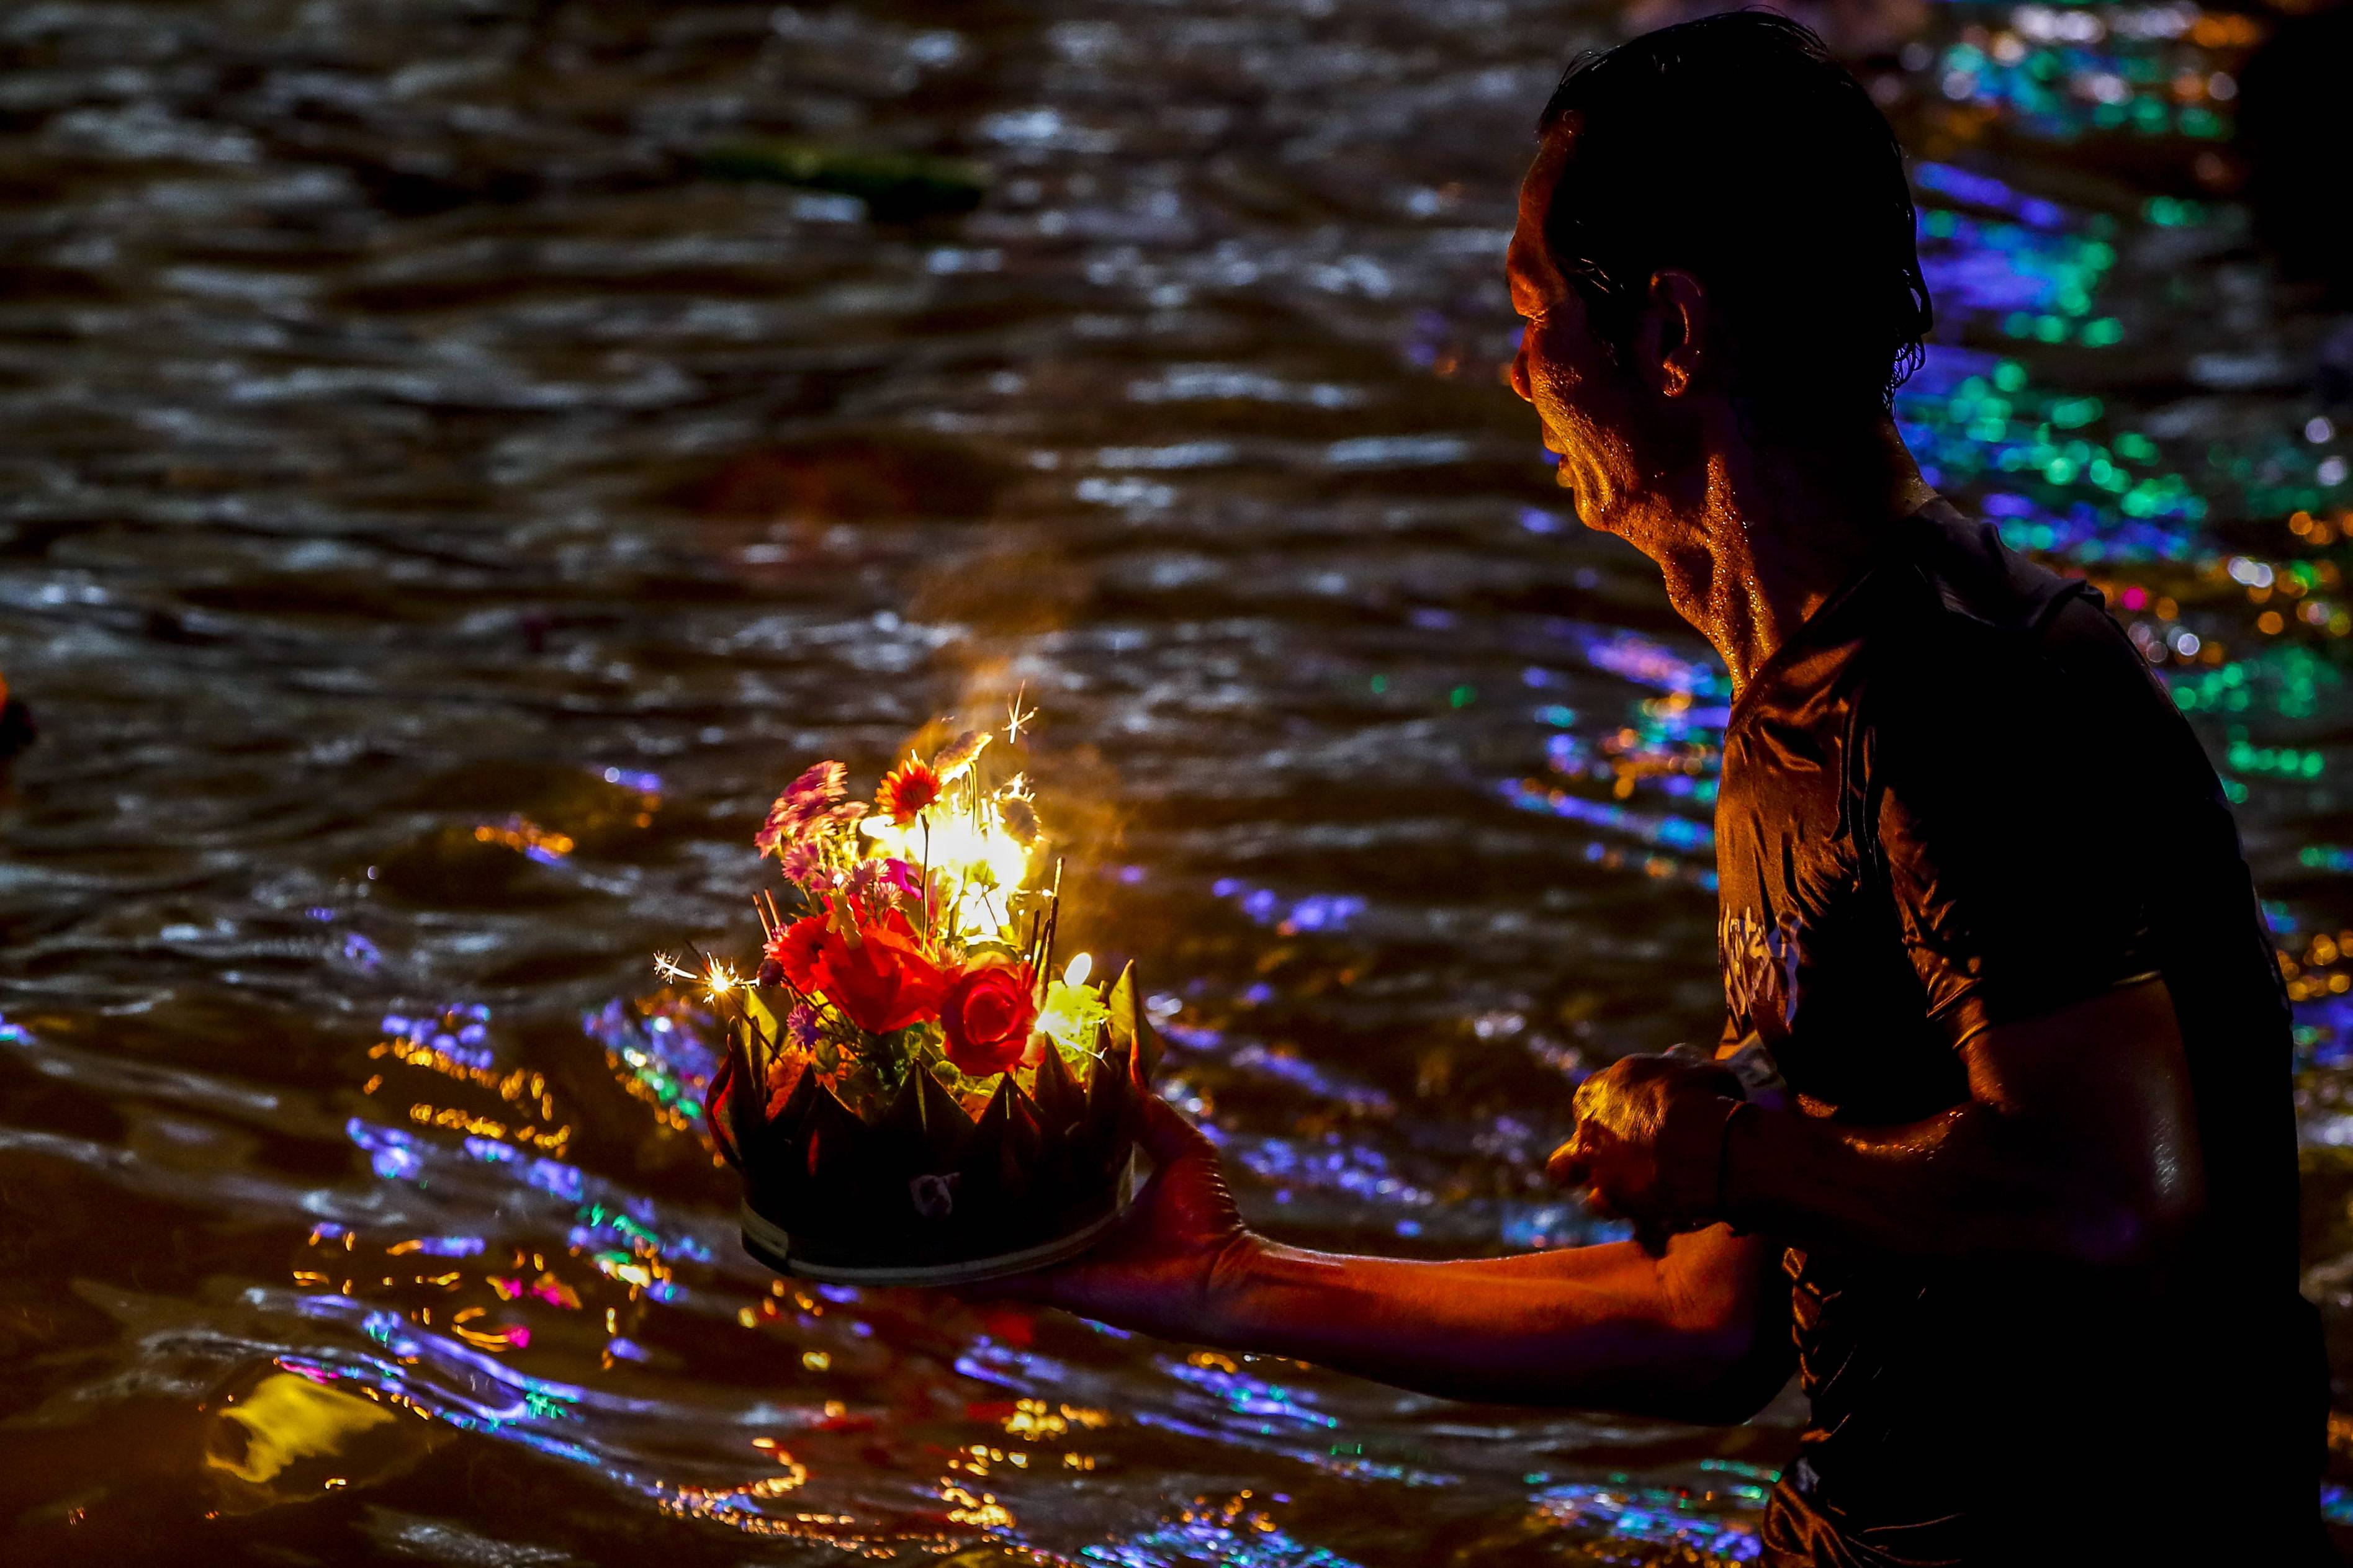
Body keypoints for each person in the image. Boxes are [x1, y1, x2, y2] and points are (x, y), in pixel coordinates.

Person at [991, 12, 2329, 1564]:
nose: (1517, 371)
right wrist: (1222, 1278)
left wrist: (1732, 1154)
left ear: (1673, 333)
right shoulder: (1805, 706)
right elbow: (1711, 1322)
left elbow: (2111, 1202)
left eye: (1533, 307)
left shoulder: (1968, 692)